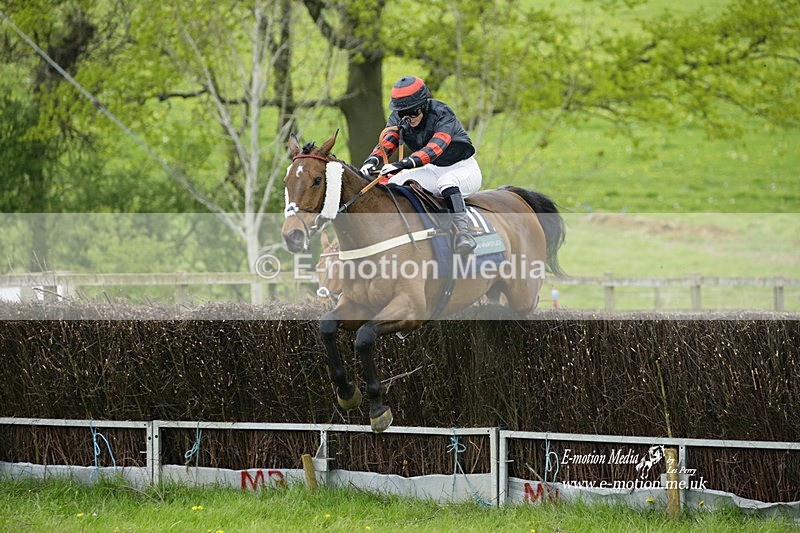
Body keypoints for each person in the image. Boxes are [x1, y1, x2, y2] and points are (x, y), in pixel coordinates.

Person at [359, 76, 481, 254]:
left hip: (462, 168)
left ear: (423, 105)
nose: (408, 118)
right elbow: (387, 143)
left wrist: (403, 164)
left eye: (413, 112)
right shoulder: (398, 118)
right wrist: (370, 162)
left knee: (446, 182)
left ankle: (464, 234)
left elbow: (435, 148)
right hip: (433, 169)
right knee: (396, 181)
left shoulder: (442, 113)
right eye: (403, 113)